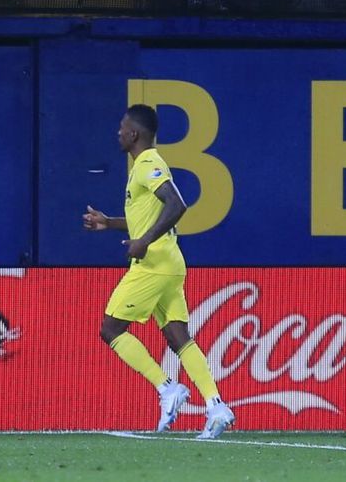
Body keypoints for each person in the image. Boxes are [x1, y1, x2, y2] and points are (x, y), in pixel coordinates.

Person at [83, 104, 235, 440]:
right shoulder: (142, 166)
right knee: (179, 337)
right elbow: (146, 218)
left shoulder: (148, 163)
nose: (118, 132)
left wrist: (144, 242)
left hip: (154, 264)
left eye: (122, 127)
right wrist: (109, 223)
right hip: (170, 263)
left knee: (111, 328)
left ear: (134, 133)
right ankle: (215, 405)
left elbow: (177, 204)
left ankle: (167, 387)